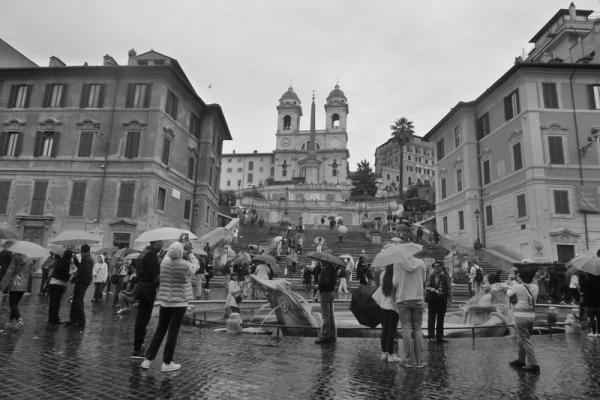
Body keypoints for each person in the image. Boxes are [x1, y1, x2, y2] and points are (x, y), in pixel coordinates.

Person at [141, 242, 196, 372]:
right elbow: (196, 267)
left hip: (165, 302)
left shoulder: (164, 263)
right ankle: (167, 362)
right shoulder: (186, 265)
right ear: (181, 253)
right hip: (180, 302)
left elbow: (169, 254)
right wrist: (191, 254)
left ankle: (147, 360)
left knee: (160, 330)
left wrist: (177, 247)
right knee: (173, 332)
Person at [131, 240, 163, 359]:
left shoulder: (144, 253)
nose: (162, 245)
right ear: (156, 243)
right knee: (143, 319)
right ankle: (137, 348)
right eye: (161, 243)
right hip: (148, 289)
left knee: (141, 318)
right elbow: (154, 273)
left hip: (142, 287)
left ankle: (138, 345)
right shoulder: (151, 255)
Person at [395, 256, 427, 367]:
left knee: (406, 328)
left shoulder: (398, 263)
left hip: (403, 298)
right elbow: (423, 280)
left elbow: (395, 282)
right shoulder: (421, 263)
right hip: (418, 298)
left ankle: (408, 359)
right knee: (418, 328)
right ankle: (420, 361)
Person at [507, 272, 540, 373]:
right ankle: (520, 360)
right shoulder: (535, 287)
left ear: (521, 277)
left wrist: (508, 287)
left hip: (521, 316)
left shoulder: (518, 287)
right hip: (531, 315)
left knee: (525, 340)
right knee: (523, 338)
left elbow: (509, 295)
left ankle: (534, 365)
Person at [375, 264, 401, 362]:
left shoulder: (383, 274)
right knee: (392, 330)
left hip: (383, 304)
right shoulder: (396, 275)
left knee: (385, 329)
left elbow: (382, 287)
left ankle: (384, 352)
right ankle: (391, 354)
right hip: (393, 305)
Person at [0, 253, 33, 330]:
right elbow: (30, 273)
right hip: (23, 285)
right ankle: (10, 322)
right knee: (15, 304)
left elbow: (9, 272)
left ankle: (19, 320)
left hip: (14, 284)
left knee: (12, 304)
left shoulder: (15, 259)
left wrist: (2, 285)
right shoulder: (29, 261)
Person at [66, 244, 94, 328]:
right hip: (82, 282)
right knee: (75, 301)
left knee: (78, 301)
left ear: (82, 251)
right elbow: (81, 268)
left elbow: (85, 272)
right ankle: (73, 319)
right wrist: (76, 261)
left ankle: (81, 321)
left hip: (82, 283)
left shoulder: (87, 259)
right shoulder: (86, 259)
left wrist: (76, 278)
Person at [426, 262, 451, 343]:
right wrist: (431, 289)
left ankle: (440, 336)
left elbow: (448, 288)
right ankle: (431, 336)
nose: (436, 268)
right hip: (432, 300)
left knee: (441, 319)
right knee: (431, 318)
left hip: (442, 300)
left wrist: (449, 299)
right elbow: (426, 286)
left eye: (438, 266)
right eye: (434, 266)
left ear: (441, 267)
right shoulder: (430, 277)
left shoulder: (445, 277)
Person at [47, 249, 73, 325]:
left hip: (53, 282)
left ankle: (51, 318)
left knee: (52, 302)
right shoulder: (66, 263)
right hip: (59, 284)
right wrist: (69, 275)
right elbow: (64, 275)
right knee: (56, 302)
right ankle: (55, 319)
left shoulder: (59, 261)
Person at [315, 259, 337, 344]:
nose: (320, 262)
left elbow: (325, 282)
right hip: (331, 292)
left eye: (322, 261)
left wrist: (320, 283)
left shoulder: (326, 269)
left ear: (325, 261)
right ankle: (332, 335)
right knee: (330, 315)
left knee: (326, 315)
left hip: (325, 293)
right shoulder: (333, 269)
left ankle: (325, 336)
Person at [581, 272, 600, 337]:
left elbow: (581, 290)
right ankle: (599, 332)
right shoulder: (598, 281)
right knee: (598, 317)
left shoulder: (585, 281)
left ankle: (594, 332)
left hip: (589, 301)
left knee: (591, 317)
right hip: (598, 301)